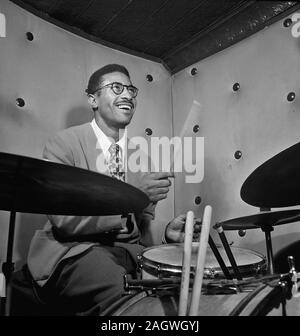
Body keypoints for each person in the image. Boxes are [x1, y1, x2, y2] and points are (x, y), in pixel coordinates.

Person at [27, 64, 199, 316]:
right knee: (123, 291)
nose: (128, 95)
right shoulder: (63, 143)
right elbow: (63, 220)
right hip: (73, 251)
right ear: (93, 99)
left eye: (131, 89)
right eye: (117, 88)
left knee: (185, 283)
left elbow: (139, 229)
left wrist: (167, 236)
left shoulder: (140, 157)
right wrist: (129, 197)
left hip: (128, 252)